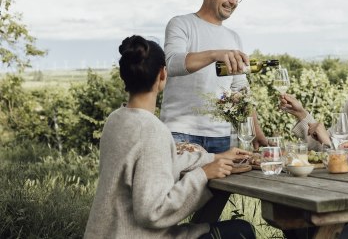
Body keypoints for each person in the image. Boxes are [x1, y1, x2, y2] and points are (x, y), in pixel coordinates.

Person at [84, 35, 255, 239]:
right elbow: (153, 213)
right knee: (242, 230)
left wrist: (215, 158)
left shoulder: (116, 119)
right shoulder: (153, 130)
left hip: (105, 232)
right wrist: (202, 175)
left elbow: (155, 163)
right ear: (163, 74)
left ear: (124, 76)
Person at [160, 0, 267, 153]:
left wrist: (256, 131)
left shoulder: (233, 38)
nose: (233, 1)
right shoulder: (181, 24)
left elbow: (240, 90)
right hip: (179, 132)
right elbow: (173, 63)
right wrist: (215, 55)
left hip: (221, 137)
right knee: (180, 183)